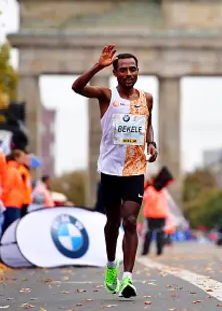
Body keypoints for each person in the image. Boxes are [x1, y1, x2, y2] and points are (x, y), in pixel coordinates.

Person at [72, 44, 158, 298]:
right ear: (115, 73)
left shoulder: (147, 98)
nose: (128, 73)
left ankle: (127, 278)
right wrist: (98, 66)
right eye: (123, 70)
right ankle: (111, 265)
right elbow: (77, 88)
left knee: (130, 221)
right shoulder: (107, 96)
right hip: (110, 169)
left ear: (138, 71)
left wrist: (151, 143)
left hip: (135, 169)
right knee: (114, 222)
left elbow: (148, 125)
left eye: (132, 69)